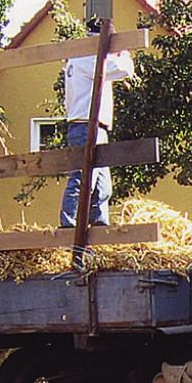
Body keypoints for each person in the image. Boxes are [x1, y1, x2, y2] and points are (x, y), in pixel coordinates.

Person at [60, 18, 135, 228]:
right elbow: (124, 70)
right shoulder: (91, 56)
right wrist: (124, 52)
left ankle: (99, 222)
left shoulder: (79, 55)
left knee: (102, 184)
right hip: (87, 124)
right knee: (84, 178)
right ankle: (69, 223)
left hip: (89, 124)